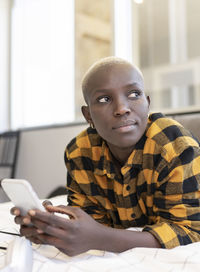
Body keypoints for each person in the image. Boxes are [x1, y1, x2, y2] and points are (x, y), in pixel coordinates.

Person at [11, 56, 200, 257]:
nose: (121, 109)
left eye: (134, 94)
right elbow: (92, 222)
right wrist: (53, 226)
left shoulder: (175, 146)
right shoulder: (79, 152)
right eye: (104, 99)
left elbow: (190, 231)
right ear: (88, 115)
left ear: (147, 103)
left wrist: (100, 238)